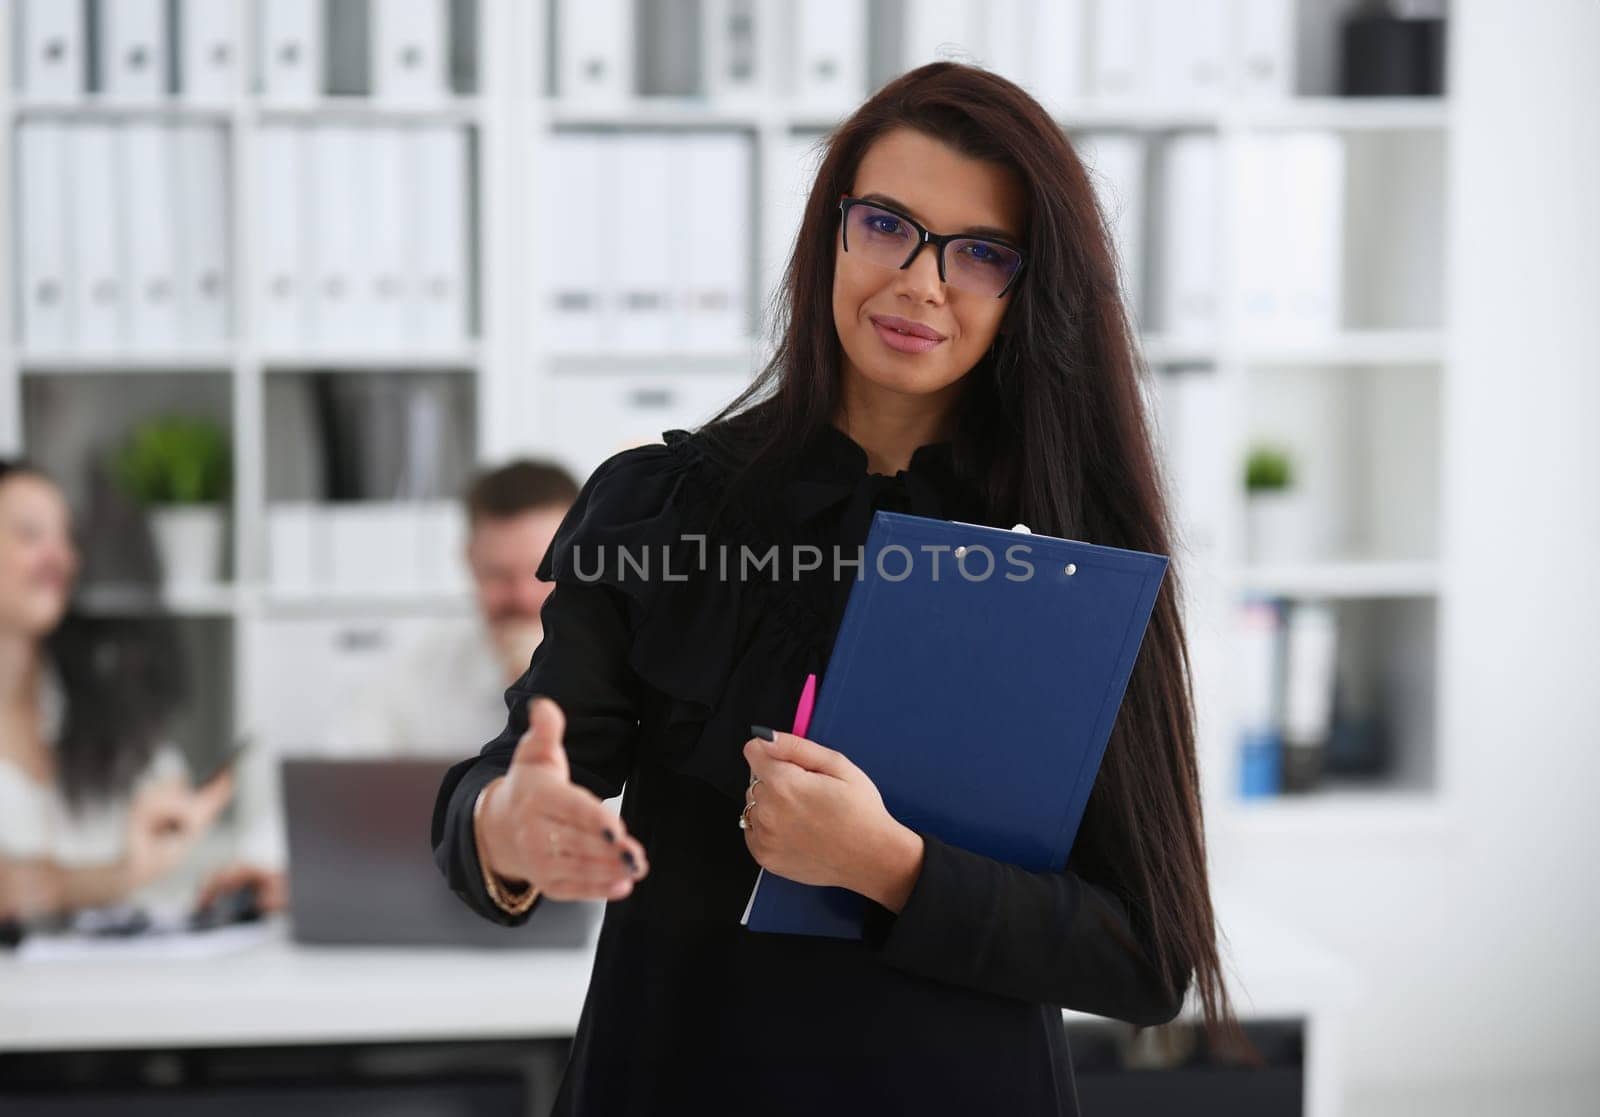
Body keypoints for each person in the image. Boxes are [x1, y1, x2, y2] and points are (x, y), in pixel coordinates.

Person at [432, 62, 1250, 1115]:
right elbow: (518, 781)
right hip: (674, 1077)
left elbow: (1146, 955)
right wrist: (506, 825)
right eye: (886, 226)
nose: (919, 280)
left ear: (1027, 289)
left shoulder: (1071, 555)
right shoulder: (661, 507)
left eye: (981, 253)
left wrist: (891, 865)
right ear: (831, 233)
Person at [199, 459, 579, 913]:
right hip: (448, 918)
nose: (520, 597)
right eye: (498, 575)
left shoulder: (636, 669)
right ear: (469, 563)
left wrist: (544, 684)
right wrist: (262, 864)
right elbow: (337, 773)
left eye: (540, 573)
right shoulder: (422, 668)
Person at [0, 459, 232, 925]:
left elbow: (163, 789)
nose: (59, 557)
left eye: (66, 539)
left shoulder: (87, 702)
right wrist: (118, 876)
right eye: (29, 535)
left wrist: (173, 816)